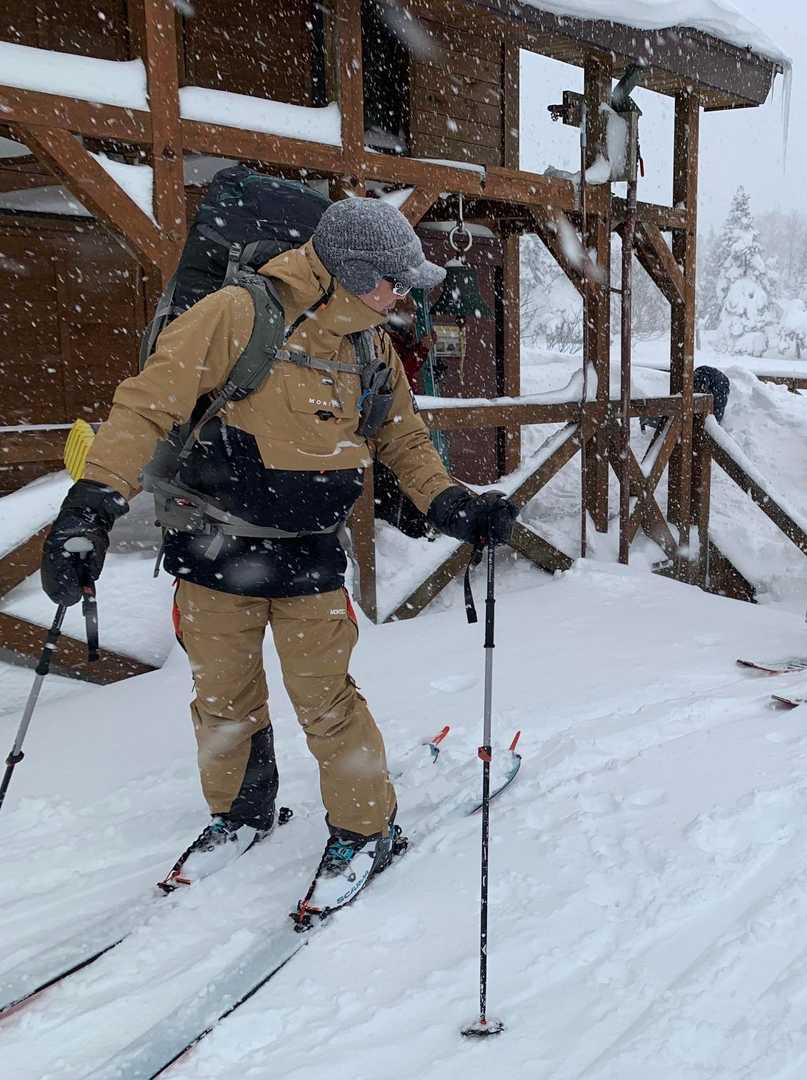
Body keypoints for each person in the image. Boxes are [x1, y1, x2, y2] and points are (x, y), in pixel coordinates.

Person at [39, 197, 520, 920]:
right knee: (222, 699)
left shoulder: (370, 347)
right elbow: (145, 407)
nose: (402, 296)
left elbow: (404, 440)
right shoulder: (238, 314)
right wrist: (92, 506)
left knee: (327, 703)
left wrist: (450, 503)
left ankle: (366, 830)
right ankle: (240, 813)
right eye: (394, 281)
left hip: (310, 560)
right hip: (213, 551)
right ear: (355, 273)